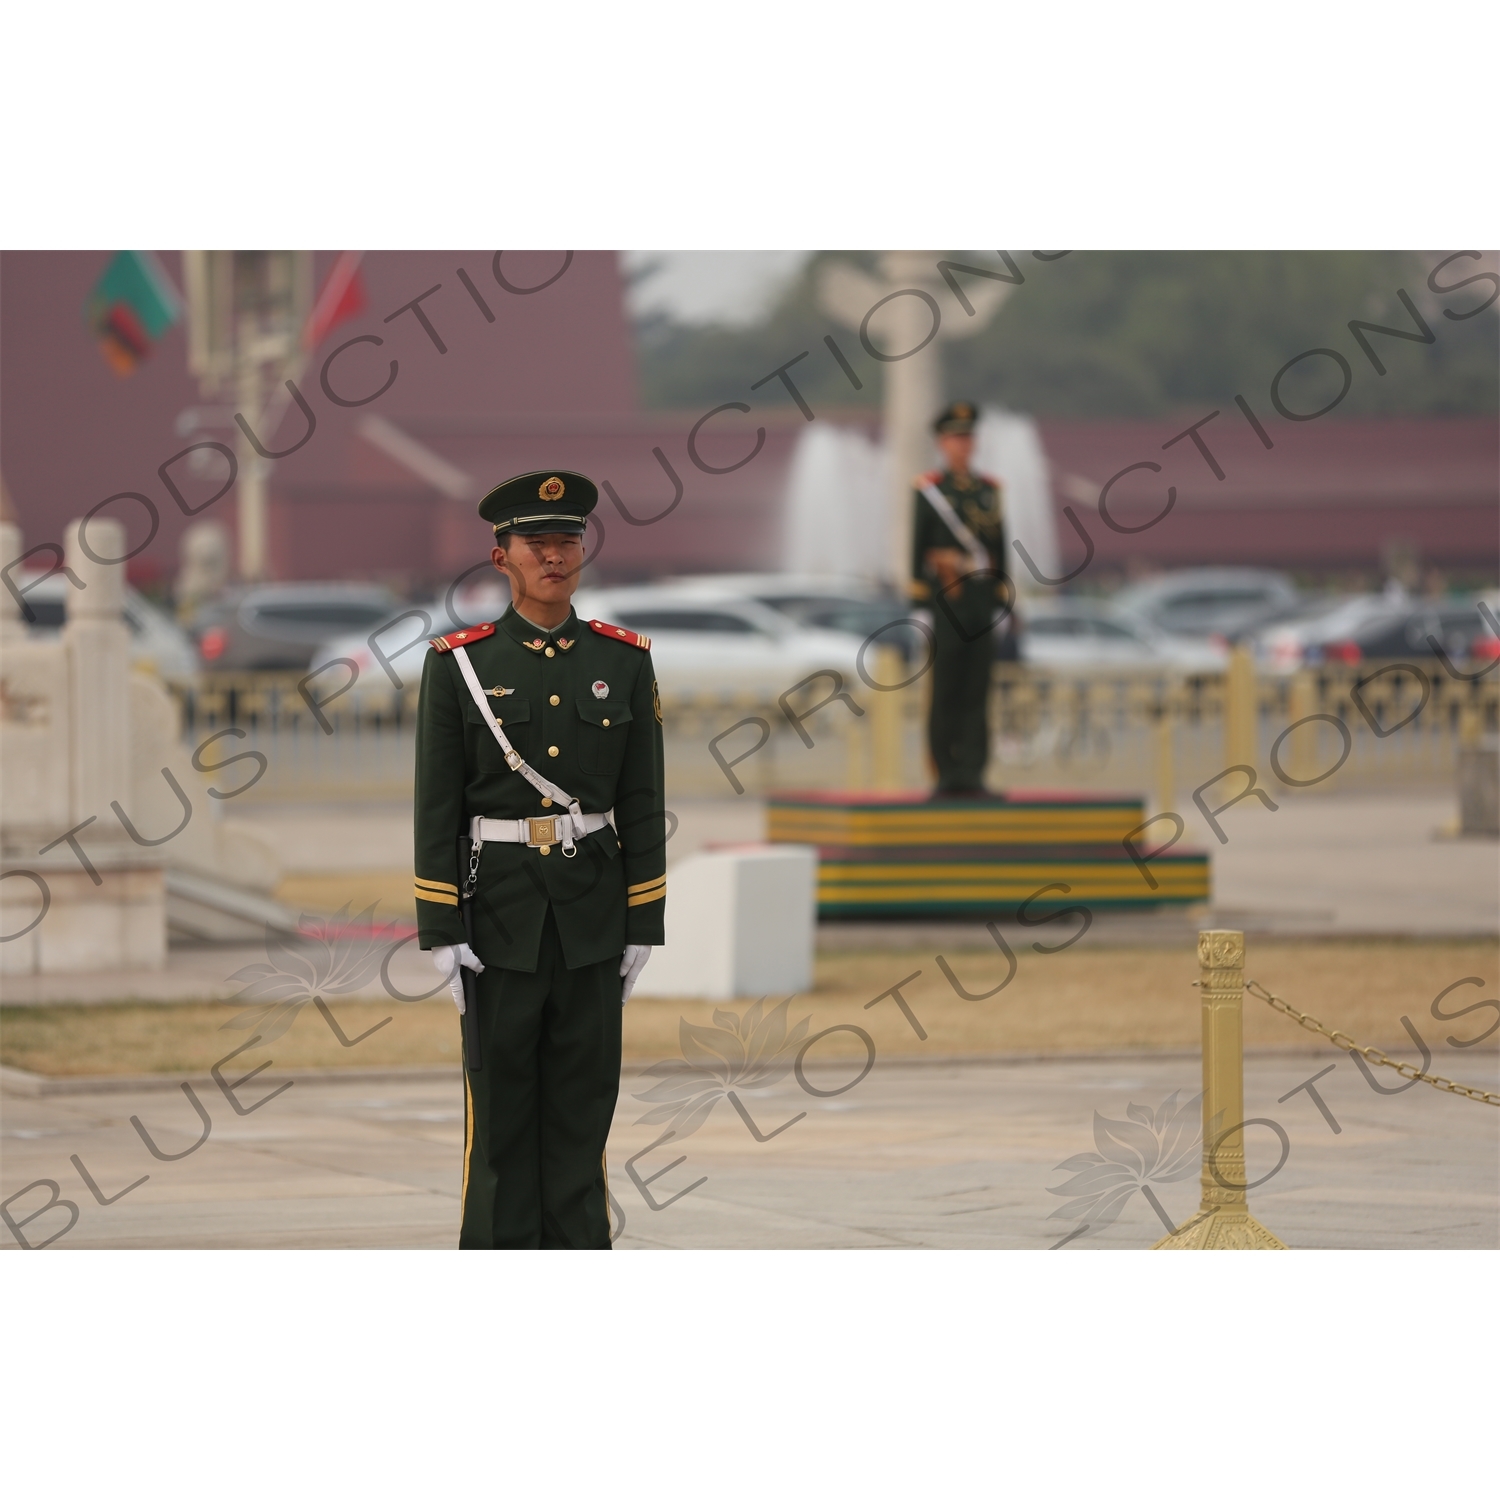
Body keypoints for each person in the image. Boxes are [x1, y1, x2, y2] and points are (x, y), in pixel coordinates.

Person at [412, 470, 666, 1249]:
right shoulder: (459, 664)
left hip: (591, 916)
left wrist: (644, 921)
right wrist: (440, 924)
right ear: (501, 556)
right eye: (537, 542)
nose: (555, 556)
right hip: (500, 922)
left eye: (568, 540)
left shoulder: (623, 660)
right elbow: (436, 805)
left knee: (584, 1112)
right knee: (500, 1121)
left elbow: (644, 797)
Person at [909, 401, 1011, 798]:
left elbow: (999, 548)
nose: (962, 445)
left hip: (981, 602)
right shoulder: (929, 491)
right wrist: (920, 607)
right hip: (946, 603)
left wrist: (1001, 600)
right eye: (955, 437)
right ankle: (946, 773)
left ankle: (973, 772)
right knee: (946, 690)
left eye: (968, 437)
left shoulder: (991, 491)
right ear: (942, 442)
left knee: (977, 689)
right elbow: (916, 549)